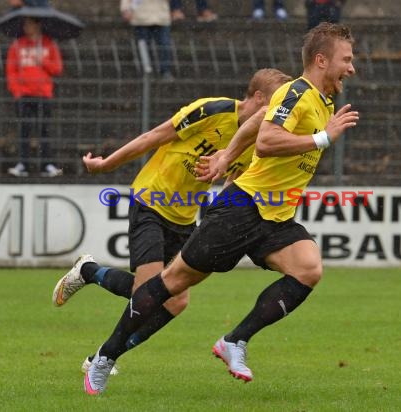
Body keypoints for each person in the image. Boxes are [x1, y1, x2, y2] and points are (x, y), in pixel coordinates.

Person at [82, 22, 358, 395]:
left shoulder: (319, 100)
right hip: (241, 208)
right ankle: (106, 355)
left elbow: (256, 124)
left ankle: (235, 341)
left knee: (308, 269)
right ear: (322, 60)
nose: (352, 68)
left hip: (274, 214)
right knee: (171, 284)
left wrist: (226, 155)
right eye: (347, 59)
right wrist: (324, 137)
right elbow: (266, 141)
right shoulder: (297, 93)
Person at [51, 68, 292, 378]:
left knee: (176, 300)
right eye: (275, 102)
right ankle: (88, 271)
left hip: (185, 217)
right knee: (146, 290)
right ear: (258, 98)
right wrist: (106, 164)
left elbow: (237, 184)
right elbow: (155, 136)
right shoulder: (212, 110)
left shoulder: (254, 140)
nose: (279, 111)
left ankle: (101, 356)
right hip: (151, 200)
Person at [6, 16, 63, 177]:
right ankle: (23, 164)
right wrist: (17, 91)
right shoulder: (17, 45)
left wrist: (43, 61)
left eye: (30, 24)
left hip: (43, 94)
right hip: (24, 94)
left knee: (44, 130)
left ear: (38, 25)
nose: (27, 27)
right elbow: (11, 71)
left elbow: (57, 69)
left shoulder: (48, 44)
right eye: (25, 24)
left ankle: (47, 164)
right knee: (24, 130)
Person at [121, 0, 175, 81]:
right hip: (141, 18)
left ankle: (165, 71)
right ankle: (148, 73)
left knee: (165, 45)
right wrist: (125, 9)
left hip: (161, 17)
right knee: (144, 48)